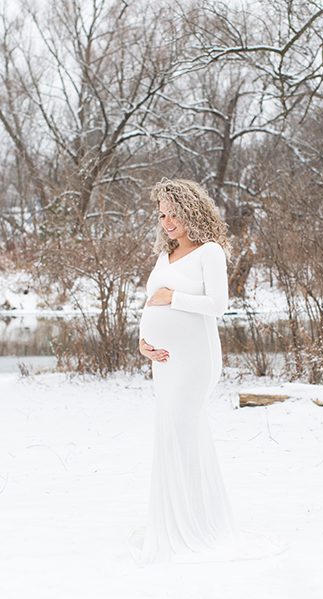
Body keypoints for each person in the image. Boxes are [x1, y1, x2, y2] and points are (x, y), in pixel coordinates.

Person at [127, 179, 287, 566]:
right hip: (163, 361)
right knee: (171, 433)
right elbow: (151, 300)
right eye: (162, 214)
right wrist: (142, 339)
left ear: (191, 210)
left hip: (196, 359)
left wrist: (173, 298)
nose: (166, 221)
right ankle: (174, 520)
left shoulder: (210, 252)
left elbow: (217, 305)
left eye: (173, 212)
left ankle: (197, 525)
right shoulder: (165, 255)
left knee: (183, 432)